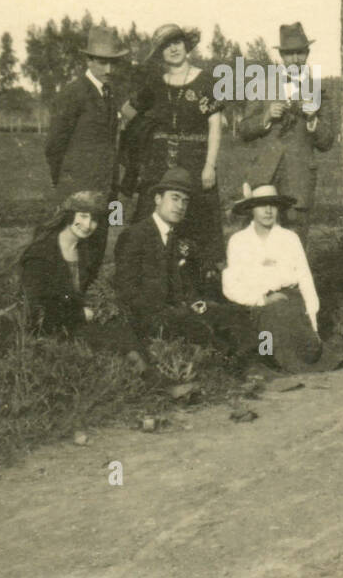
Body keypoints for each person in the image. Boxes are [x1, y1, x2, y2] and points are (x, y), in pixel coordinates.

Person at [112, 167, 254, 357]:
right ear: (158, 199)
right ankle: (231, 370)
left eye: (185, 201)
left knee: (234, 314)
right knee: (205, 333)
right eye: (175, 198)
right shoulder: (135, 235)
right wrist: (172, 311)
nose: (180, 206)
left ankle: (256, 366)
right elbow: (127, 289)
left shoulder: (178, 237)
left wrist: (195, 303)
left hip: (180, 311)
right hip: (150, 317)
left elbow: (186, 284)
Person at [122, 24, 228, 279]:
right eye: (166, 45)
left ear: (186, 45)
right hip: (159, 165)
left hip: (195, 163)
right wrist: (147, 130)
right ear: (159, 52)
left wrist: (209, 165)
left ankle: (198, 283)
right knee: (151, 220)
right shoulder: (154, 85)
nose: (173, 49)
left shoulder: (206, 81)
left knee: (198, 220)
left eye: (177, 42)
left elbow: (216, 125)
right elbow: (127, 110)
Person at [18, 190, 147, 371]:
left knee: (124, 329)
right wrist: (78, 314)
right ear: (70, 216)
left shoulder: (85, 252)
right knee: (117, 340)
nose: (88, 225)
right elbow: (35, 308)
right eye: (83, 216)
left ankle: (153, 377)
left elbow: (89, 290)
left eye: (94, 219)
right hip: (52, 329)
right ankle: (154, 382)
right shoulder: (41, 254)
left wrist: (102, 306)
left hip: (77, 322)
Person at [222, 183, 342, 373]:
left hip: (290, 302)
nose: (268, 210)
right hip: (254, 304)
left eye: (273, 205)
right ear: (251, 209)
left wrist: (313, 323)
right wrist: (261, 299)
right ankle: (267, 357)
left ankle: (289, 355)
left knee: (310, 351)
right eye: (262, 205)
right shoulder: (239, 241)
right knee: (267, 324)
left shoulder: (289, 238)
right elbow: (230, 285)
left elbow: (305, 279)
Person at [236, 22, 336, 248]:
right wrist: (266, 117)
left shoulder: (319, 91)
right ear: (281, 56)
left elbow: (328, 141)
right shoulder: (262, 85)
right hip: (264, 175)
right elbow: (243, 130)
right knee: (257, 241)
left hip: (299, 179)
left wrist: (313, 120)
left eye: (300, 53)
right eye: (289, 54)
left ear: (307, 54)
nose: (295, 59)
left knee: (295, 243)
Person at [43, 25, 129, 264]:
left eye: (113, 63)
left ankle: (89, 299)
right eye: (102, 62)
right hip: (76, 191)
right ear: (89, 60)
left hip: (102, 191)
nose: (109, 69)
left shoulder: (109, 95)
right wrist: (66, 183)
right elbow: (54, 146)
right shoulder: (74, 94)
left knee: (94, 253)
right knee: (68, 252)